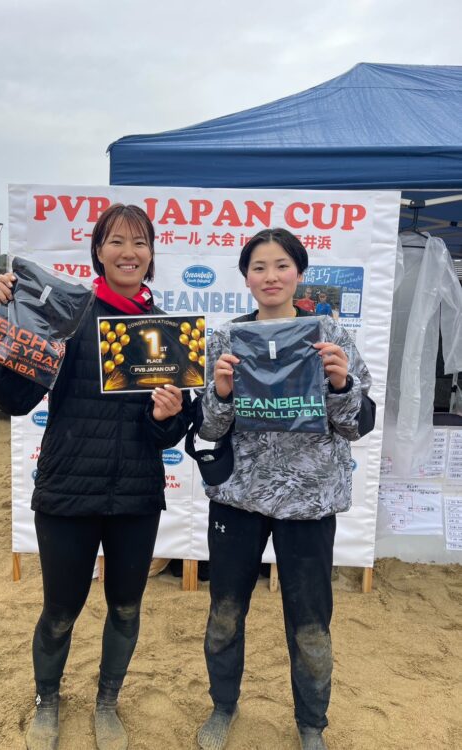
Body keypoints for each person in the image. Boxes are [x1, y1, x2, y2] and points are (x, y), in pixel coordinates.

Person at [0, 204, 192, 750]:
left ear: (151, 254)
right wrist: (6, 320)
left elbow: (172, 433)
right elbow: (13, 398)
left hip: (135, 496)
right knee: (59, 611)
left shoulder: (165, 330)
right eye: (116, 241)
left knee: (125, 607)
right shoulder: (65, 316)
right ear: (98, 250)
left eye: (140, 242)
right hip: (67, 490)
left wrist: (167, 417)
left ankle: (107, 702)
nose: (129, 252)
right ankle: (47, 701)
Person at [194, 228, 371, 750]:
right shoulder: (225, 339)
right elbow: (209, 428)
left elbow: (357, 426)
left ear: (299, 272)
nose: (270, 276)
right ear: (245, 277)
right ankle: (223, 706)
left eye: (281, 265)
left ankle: (311, 725)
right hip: (238, 498)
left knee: (311, 626)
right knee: (225, 613)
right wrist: (222, 392)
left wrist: (340, 384)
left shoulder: (330, 335)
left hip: (309, 501)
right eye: (259, 267)